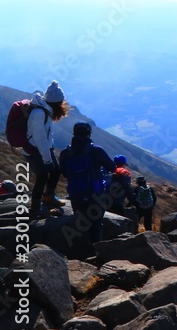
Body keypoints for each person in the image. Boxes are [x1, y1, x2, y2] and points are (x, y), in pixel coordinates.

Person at [59, 122, 115, 246]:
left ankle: (81, 251)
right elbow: (112, 167)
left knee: (80, 223)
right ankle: (96, 251)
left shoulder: (65, 153)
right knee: (96, 224)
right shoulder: (96, 150)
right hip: (95, 194)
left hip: (75, 193)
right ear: (89, 134)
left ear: (73, 134)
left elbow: (64, 173)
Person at [25, 81, 71, 218]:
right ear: (56, 103)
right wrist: (47, 159)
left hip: (44, 147)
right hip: (33, 149)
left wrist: (49, 153)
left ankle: (49, 196)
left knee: (56, 171)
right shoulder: (39, 113)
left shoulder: (46, 110)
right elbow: (40, 139)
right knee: (43, 176)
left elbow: (45, 137)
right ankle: (35, 208)